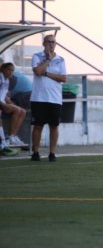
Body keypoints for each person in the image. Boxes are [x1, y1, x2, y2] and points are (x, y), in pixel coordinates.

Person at [30, 34, 67, 162]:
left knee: (54, 126)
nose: (51, 44)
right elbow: (38, 71)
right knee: (38, 125)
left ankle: (52, 153)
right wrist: (48, 60)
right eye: (49, 42)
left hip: (55, 98)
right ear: (44, 43)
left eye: (53, 42)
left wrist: (46, 73)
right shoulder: (36, 56)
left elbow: (63, 78)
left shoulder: (61, 60)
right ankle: (36, 152)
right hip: (39, 98)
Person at [0, 62, 27, 145]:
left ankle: (13, 136)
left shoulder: (7, 80)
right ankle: (9, 137)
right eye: (9, 70)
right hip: (1, 104)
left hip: (2, 103)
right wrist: (4, 105)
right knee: (17, 111)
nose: (11, 72)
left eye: (12, 70)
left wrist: (13, 105)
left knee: (23, 111)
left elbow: (5, 96)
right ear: (3, 69)